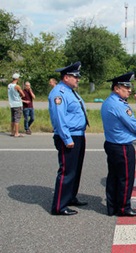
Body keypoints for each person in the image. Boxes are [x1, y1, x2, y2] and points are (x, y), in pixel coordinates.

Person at [101, 72, 136, 217]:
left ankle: (112, 206)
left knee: (113, 176)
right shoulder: (119, 105)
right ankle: (123, 207)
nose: (130, 90)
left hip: (112, 143)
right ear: (116, 88)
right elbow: (132, 124)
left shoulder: (109, 101)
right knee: (125, 178)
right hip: (122, 147)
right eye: (126, 87)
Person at [49, 61, 89, 216]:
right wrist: (67, 138)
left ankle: (70, 196)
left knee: (75, 170)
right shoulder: (59, 92)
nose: (78, 79)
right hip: (69, 136)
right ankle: (59, 206)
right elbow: (59, 118)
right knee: (67, 171)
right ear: (66, 77)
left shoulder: (70, 91)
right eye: (75, 76)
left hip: (78, 135)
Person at [8, 73, 25, 137]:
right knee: (17, 119)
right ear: (17, 79)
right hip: (17, 103)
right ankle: (17, 132)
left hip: (12, 103)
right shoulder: (17, 86)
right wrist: (19, 96)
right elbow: (23, 94)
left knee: (13, 118)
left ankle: (12, 131)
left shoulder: (9, 85)